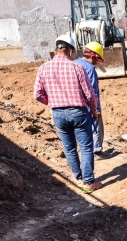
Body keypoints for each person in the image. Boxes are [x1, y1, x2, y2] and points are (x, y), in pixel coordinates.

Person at [33, 35, 102, 194]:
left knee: (69, 148)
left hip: (58, 113)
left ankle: (78, 179)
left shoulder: (43, 68)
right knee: (85, 147)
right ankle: (89, 182)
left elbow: (37, 94)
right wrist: (94, 111)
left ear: (56, 50)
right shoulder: (77, 68)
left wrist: (52, 102)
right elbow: (90, 95)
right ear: (70, 51)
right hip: (78, 112)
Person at [74, 42, 106, 159]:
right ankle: (97, 151)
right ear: (93, 56)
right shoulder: (89, 68)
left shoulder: (74, 63)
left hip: (75, 104)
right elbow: (93, 90)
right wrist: (96, 109)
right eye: (97, 59)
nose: (97, 62)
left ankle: (84, 150)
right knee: (95, 125)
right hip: (88, 104)